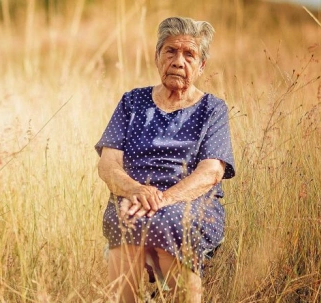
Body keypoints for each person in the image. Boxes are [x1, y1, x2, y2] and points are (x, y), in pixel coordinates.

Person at [95, 16, 235, 303]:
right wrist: (136, 191)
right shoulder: (132, 102)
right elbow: (108, 165)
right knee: (126, 218)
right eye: (170, 51)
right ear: (157, 56)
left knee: (168, 222)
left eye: (189, 54)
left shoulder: (213, 109)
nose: (178, 61)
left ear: (201, 65)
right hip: (134, 198)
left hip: (190, 204)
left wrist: (164, 199)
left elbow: (210, 172)